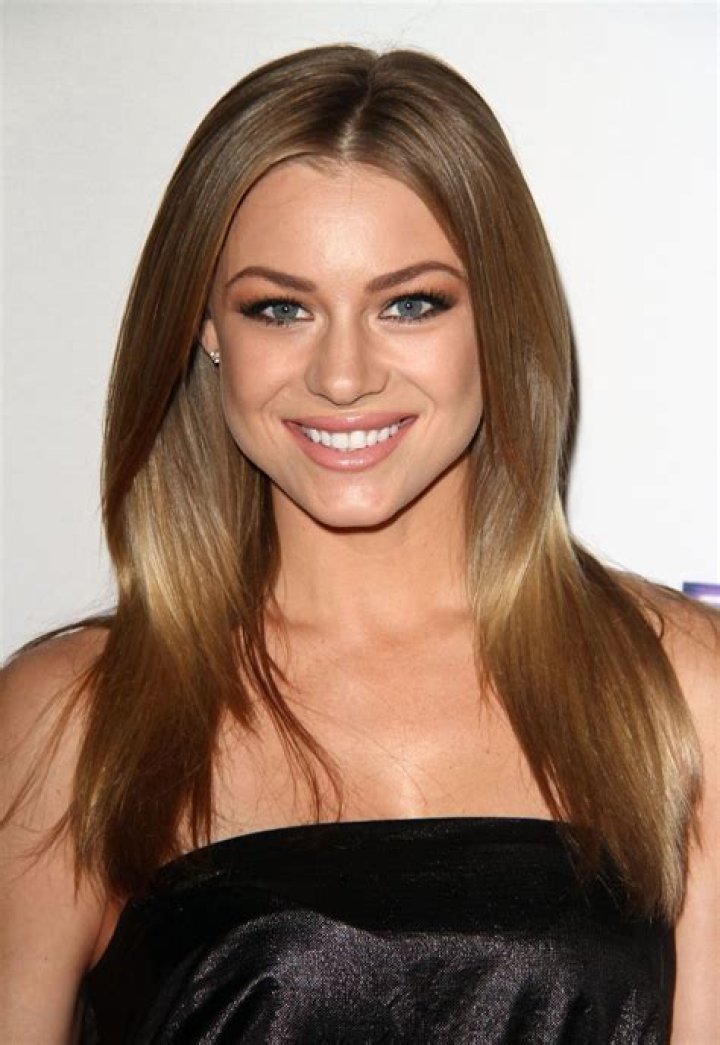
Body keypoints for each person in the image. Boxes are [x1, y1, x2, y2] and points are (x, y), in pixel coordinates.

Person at [1, 44, 717, 1044]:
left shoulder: (676, 688)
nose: (343, 375)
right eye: (280, 308)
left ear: (498, 317)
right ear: (208, 330)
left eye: (410, 303)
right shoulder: (72, 721)